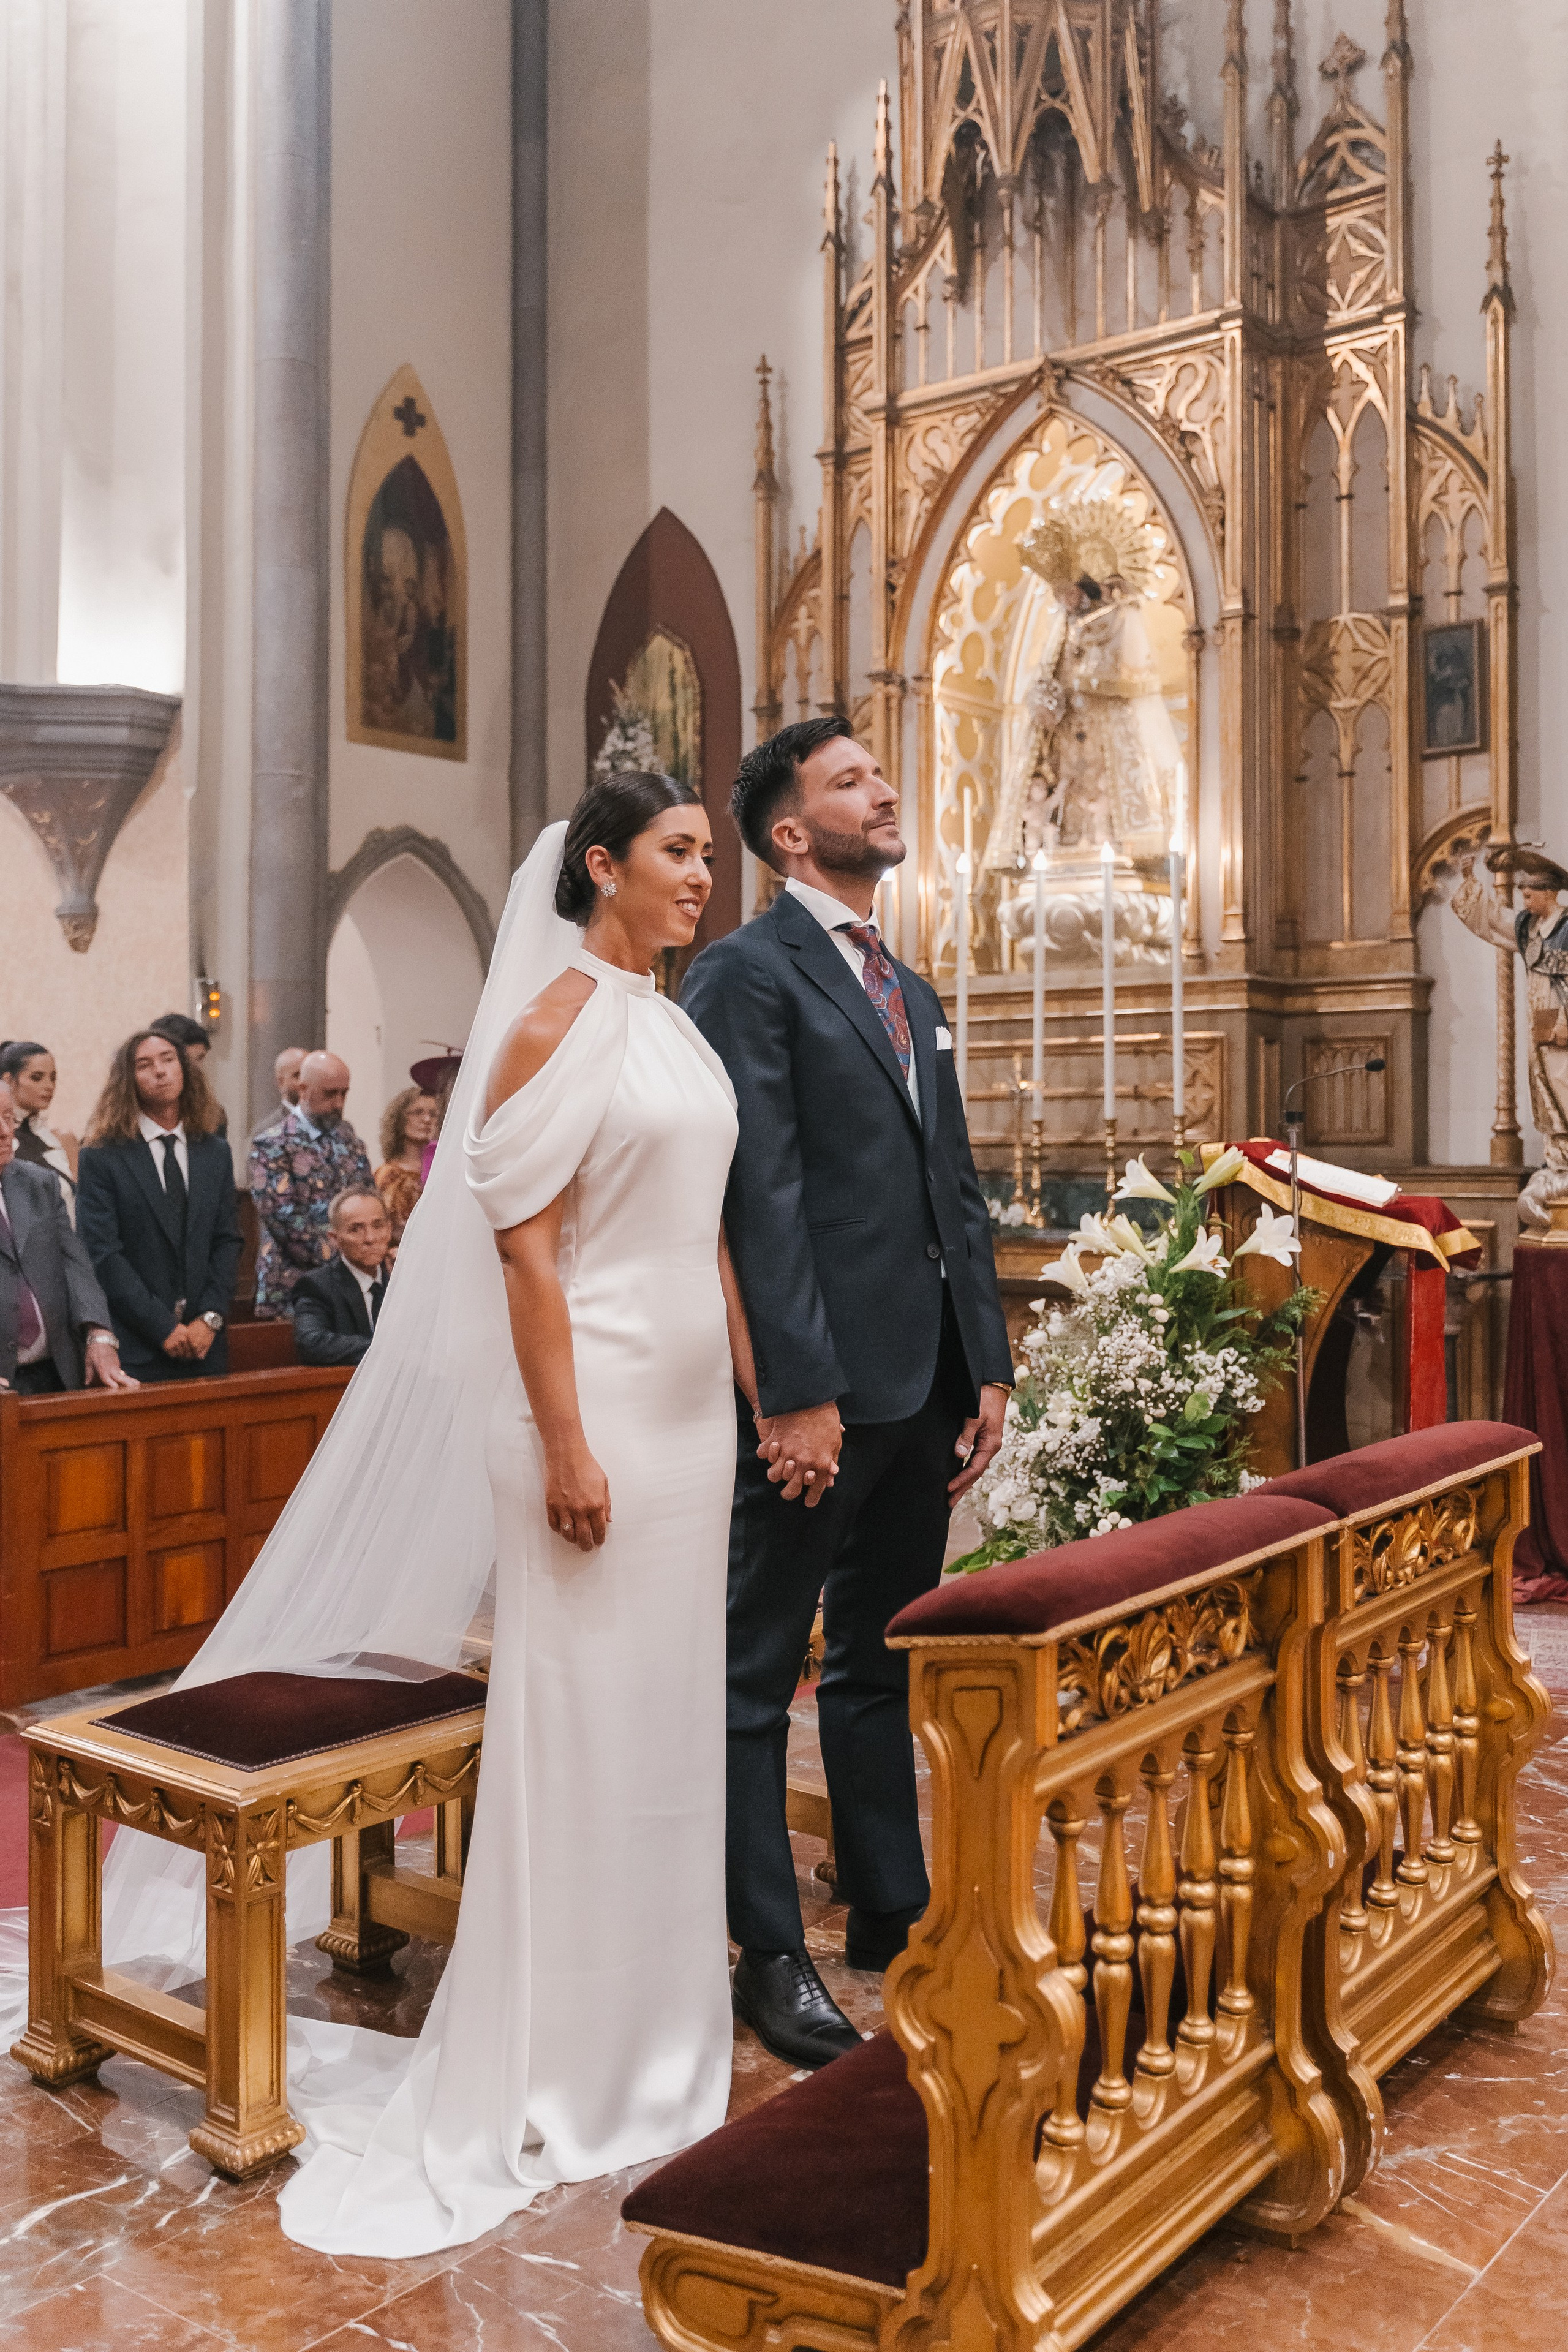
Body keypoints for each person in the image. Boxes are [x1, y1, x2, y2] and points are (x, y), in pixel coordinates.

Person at [266, 769, 743, 2255]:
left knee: (664, 1720)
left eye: (710, 855)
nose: (701, 877)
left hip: (687, 1424)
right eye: (676, 852)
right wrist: (563, 1442)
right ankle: (561, 2049)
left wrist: (751, 1376)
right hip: (583, 1414)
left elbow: (700, 1227)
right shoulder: (553, 1021)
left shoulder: (669, 1018)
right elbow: (529, 1259)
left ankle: (657, 2038)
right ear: (601, 866)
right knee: (582, 1724)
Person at [681, 715, 1014, 2069]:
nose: (882, 791)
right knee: (758, 1674)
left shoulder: (909, 990)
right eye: (847, 783)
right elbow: (755, 1195)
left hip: (923, 1381)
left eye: (881, 775)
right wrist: (791, 1392)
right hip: (819, 1396)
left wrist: (982, 1356)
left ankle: (888, 1902)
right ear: (785, 832)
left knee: (879, 1661)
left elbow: (954, 1188)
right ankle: (766, 1949)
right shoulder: (743, 975)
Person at [74, 1031, 243, 1382]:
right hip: (137, 1343)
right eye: (145, 1065)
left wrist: (210, 1318)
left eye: (168, 1059)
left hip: (204, 1342)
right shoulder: (102, 1156)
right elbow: (103, 1253)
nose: (160, 1071)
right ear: (128, 1080)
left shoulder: (214, 1152)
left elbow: (227, 1240)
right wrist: (161, 1325)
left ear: (184, 1069)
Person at [1453, 847, 1568, 1227]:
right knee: (1548, 1094)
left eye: (1530, 894)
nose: (1524, 900)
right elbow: (1490, 919)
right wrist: (1470, 880)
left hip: (1566, 1028)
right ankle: (1560, 1164)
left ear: (1549, 892)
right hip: (1542, 1030)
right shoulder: (1527, 929)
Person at [0, 1094, 136, 1395]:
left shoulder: (40, 1183)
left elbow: (74, 1265)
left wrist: (99, 1333)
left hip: (58, 1373)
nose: (5, 1131)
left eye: (9, 1118)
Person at [248, 1051, 374, 1318]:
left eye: (344, 1093)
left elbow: (368, 1201)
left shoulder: (351, 1142)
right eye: (330, 1094)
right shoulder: (272, 1144)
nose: (339, 1103)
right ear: (303, 1090)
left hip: (354, 1281)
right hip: (293, 1284)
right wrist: (350, 1259)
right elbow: (285, 1221)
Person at [291, 1186, 393, 1366]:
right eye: (356, 1229)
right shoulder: (316, 1286)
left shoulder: (401, 1280)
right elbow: (312, 1343)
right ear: (335, 1239)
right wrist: (388, 1351)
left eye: (378, 1226)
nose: (370, 1238)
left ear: (389, 1230)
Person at [0, 1039, 79, 1222]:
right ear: (9, 1081)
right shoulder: (5, 1143)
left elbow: (80, 1202)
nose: (49, 1086)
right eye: (37, 1077)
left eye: (53, 1078)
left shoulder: (63, 1139)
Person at [374, 1085, 439, 1242]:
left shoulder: (440, 1170)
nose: (427, 1120)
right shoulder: (389, 1174)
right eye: (418, 1112)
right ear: (400, 1120)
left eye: (433, 1114)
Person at [149, 1013, 228, 1139]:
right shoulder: (131, 1118)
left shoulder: (213, 1115)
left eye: (200, 1059)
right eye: (187, 1061)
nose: (196, 1069)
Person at [253, 1046, 309, 1138]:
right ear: (281, 1083)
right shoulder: (266, 1131)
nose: (305, 1082)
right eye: (298, 1075)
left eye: (309, 1075)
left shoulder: (331, 1125)